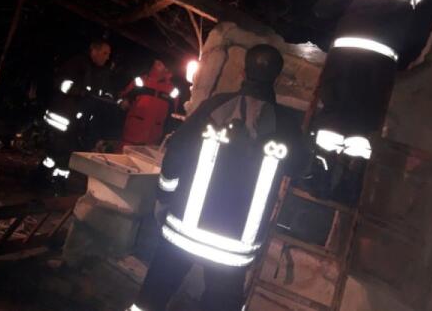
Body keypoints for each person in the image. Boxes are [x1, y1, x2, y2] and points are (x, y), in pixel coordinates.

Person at [127, 44, 310, 311]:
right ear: (277, 79)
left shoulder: (215, 105)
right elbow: (301, 167)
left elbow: (176, 153)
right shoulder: (286, 125)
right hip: (234, 246)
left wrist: (164, 198)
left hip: (183, 228)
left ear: (243, 72)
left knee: (150, 301)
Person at [307, 0, 432, 204]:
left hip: (349, 52)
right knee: (365, 119)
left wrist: (319, 12)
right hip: (383, 62)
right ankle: (350, 184)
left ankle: (320, 176)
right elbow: (421, 24)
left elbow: (327, 4)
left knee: (336, 110)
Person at [38, 38, 113, 193]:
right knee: (60, 151)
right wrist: (79, 91)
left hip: (77, 121)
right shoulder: (77, 63)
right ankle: (52, 181)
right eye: (105, 53)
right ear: (94, 51)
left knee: (63, 152)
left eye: (108, 54)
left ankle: (47, 179)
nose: (107, 57)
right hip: (62, 117)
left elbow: (100, 94)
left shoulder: (100, 72)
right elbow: (61, 83)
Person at [119, 59, 179, 148]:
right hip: (131, 135)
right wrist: (124, 102)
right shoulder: (141, 81)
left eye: (160, 63)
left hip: (152, 140)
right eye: (156, 62)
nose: (156, 64)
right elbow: (123, 101)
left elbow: (171, 116)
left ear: (167, 68)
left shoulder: (171, 90)